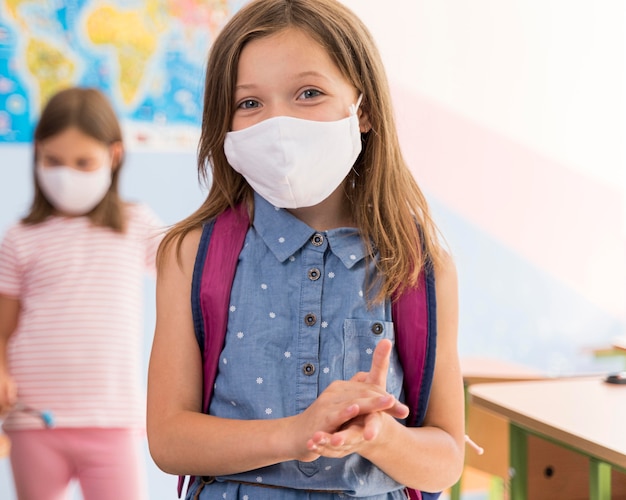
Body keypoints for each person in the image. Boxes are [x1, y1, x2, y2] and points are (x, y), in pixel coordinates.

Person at [147, 0, 465, 499]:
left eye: (309, 93)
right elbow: (168, 439)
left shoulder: (420, 265)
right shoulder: (191, 254)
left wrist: (380, 435)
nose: (279, 124)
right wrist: (295, 434)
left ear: (363, 111)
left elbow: (445, 461)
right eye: (249, 103)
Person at [0, 87, 163, 500]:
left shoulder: (135, 223)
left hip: (114, 420)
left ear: (114, 156)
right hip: (33, 422)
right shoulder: (19, 239)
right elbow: (3, 328)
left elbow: (188, 268)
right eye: (52, 161)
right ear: (36, 154)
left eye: (82, 162)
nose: (66, 173)